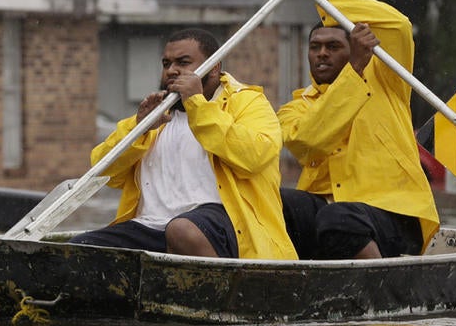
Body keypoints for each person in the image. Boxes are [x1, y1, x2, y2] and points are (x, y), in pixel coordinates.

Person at [68, 28, 296, 260]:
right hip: (150, 226)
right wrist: (139, 129)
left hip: (225, 224)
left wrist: (196, 104)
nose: (171, 71)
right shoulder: (157, 114)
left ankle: (227, 293)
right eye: (166, 64)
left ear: (214, 67)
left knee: (182, 229)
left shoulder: (248, 102)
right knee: (78, 249)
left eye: (183, 62)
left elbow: (254, 157)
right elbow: (101, 171)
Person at [276, 0, 440, 260]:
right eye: (315, 47)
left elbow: (398, 25)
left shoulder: (388, 78)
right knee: (273, 202)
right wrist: (352, 72)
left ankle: (379, 284)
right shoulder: (294, 108)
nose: (322, 53)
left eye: (333, 46)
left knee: (339, 218)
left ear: (354, 48)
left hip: (394, 215)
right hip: (330, 214)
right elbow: (308, 144)